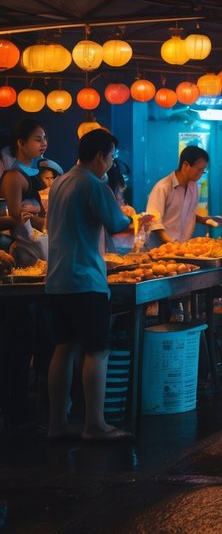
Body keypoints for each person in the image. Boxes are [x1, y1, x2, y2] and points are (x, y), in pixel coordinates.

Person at [45, 129, 144, 442]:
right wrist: (136, 219)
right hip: (86, 279)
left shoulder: (61, 181)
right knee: (97, 351)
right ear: (101, 155)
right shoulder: (93, 183)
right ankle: (95, 424)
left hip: (57, 279)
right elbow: (117, 224)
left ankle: (57, 423)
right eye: (111, 156)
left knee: (63, 349)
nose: (112, 162)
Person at [145, 146, 218, 246]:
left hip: (181, 247)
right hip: (160, 249)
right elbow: (154, 222)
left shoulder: (193, 187)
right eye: (199, 170)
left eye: (203, 171)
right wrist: (171, 245)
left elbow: (186, 214)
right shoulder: (163, 187)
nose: (201, 174)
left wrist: (205, 220)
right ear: (185, 165)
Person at [2, 119, 47, 266]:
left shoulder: (33, 172)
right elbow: (18, 218)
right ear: (21, 143)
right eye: (38, 140)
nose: (44, 143)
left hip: (39, 243)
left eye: (45, 138)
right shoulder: (14, 176)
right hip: (27, 251)